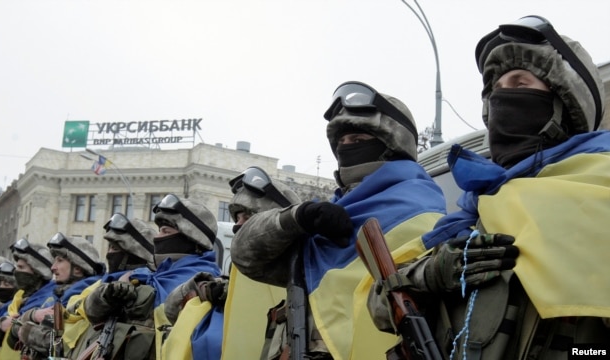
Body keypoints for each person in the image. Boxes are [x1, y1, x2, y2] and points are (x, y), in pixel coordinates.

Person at [368, 15, 610, 360]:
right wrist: (431, 275)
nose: (502, 96)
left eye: (519, 82)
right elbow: (379, 304)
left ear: (563, 103)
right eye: (496, 87)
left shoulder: (601, 192)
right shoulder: (475, 208)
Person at [231, 82, 447, 359]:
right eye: (341, 143)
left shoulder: (424, 212)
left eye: (357, 141)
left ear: (390, 145)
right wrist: (296, 218)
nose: (346, 148)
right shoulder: (325, 220)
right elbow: (247, 256)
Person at [162, 166, 302, 359]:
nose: (237, 224)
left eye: (247, 217)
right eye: (237, 218)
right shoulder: (231, 281)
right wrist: (202, 289)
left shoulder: (301, 274)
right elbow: (170, 311)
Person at [127, 194, 222, 360]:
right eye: (159, 230)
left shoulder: (200, 274)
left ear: (191, 238)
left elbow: (160, 305)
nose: (157, 237)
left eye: (166, 231)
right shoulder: (161, 273)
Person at [73, 214, 157, 360]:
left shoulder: (150, 284)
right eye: (109, 247)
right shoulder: (102, 284)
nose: (109, 253)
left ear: (133, 252)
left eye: (114, 248)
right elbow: (79, 310)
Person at [15, 233, 104, 360]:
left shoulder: (86, 299)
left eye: (60, 261)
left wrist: (28, 331)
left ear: (78, 268)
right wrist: (31, 316)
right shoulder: (59, 295)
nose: (53, 267)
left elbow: (64, 345)